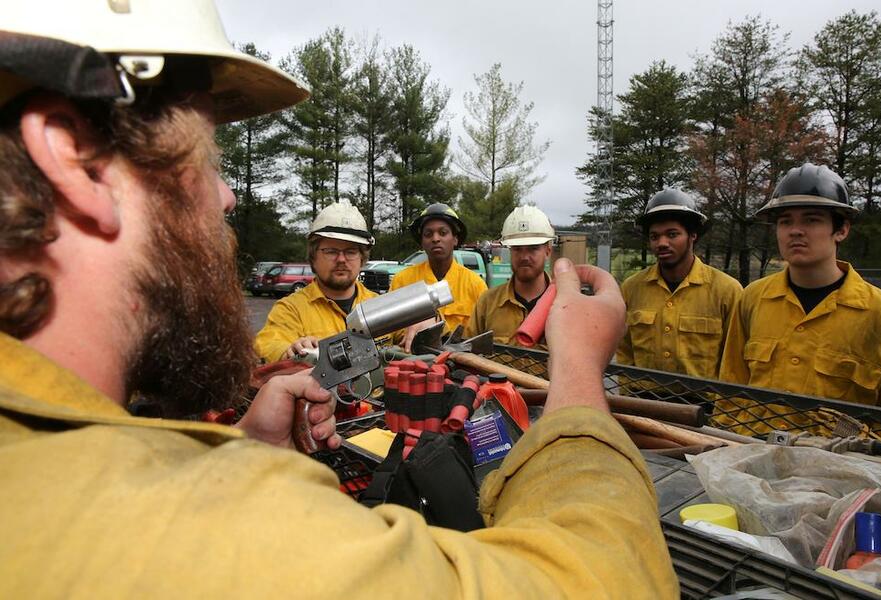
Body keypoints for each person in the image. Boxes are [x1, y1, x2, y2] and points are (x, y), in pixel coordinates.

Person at [0, 2, 677, 597]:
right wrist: (581, 373)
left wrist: (245, 451)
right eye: (201, 158)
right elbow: (600, 581)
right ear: (76, 159)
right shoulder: (216, 538)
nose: (226, 196)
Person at [717, 164, 881, 434]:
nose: (795, 231)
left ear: (841, 230)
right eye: (785, 221)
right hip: (749, 457)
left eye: (811, 220)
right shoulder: (753, 299)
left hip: (837, 469)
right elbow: (730, 390)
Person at [616, 189, 742, 379]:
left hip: (704, 404)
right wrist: (629, 398)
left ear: (693, 235)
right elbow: (624, 350)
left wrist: (722, 406)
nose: (662, 243)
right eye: (654, 236)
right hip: (642, 403)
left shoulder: (726, 291)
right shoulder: (632, 288)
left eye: (672, 234)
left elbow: (735, 360)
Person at [254, 199, 383, 363]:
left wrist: (422, 327)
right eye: (331, 251)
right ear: (313, 257)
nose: (341, 259)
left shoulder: (379, 305)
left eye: (350, 252)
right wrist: (290, 350)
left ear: (362, 258)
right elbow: (268, 344)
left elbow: (407, 336)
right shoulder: (291, 309)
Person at [389, 203, 487, 350]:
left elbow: (483, 336)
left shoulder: (475, 285)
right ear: (422, 242)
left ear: (455, 239)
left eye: (443, 232)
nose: (435, 239)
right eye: (428, 234)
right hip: (410, 366)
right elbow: (389, 332)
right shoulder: (402, 280)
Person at [464, 205, 555, 348]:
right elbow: (467, 353)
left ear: (548, 251)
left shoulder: (564, 305)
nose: (524, 257)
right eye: (517, 249)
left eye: (533, 248)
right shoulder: (488, 303)